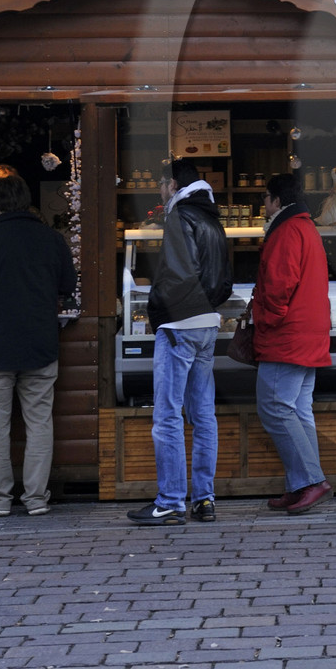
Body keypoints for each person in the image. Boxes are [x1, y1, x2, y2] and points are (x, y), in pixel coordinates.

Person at [0, 170, 76, 517]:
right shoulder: (51, 239)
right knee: (39, 423)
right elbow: (67, 284)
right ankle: (36, 500)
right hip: (40, 343)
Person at [127, 160, 232, 526]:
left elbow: (176, 276)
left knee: (167, 416)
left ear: (173, 185)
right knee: (203, 416)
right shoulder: (212, 218)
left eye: (161, 183)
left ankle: (171, 501)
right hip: (206, 324)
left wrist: (157, 312)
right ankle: (204, 499)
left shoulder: (179, 217)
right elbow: (223, 280)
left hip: (179, 324)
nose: (159, 189)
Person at [250, 174, 335, 514]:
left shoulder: (285, 231)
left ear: (275, 200)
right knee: (298, 410)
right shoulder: (306, 227)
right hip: (309, 331)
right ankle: (299, 485)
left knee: (273, 406)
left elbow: (278, 287)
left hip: (287, 334)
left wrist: (264, 321)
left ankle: (312, 481)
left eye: (265, 199)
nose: (264, 205)